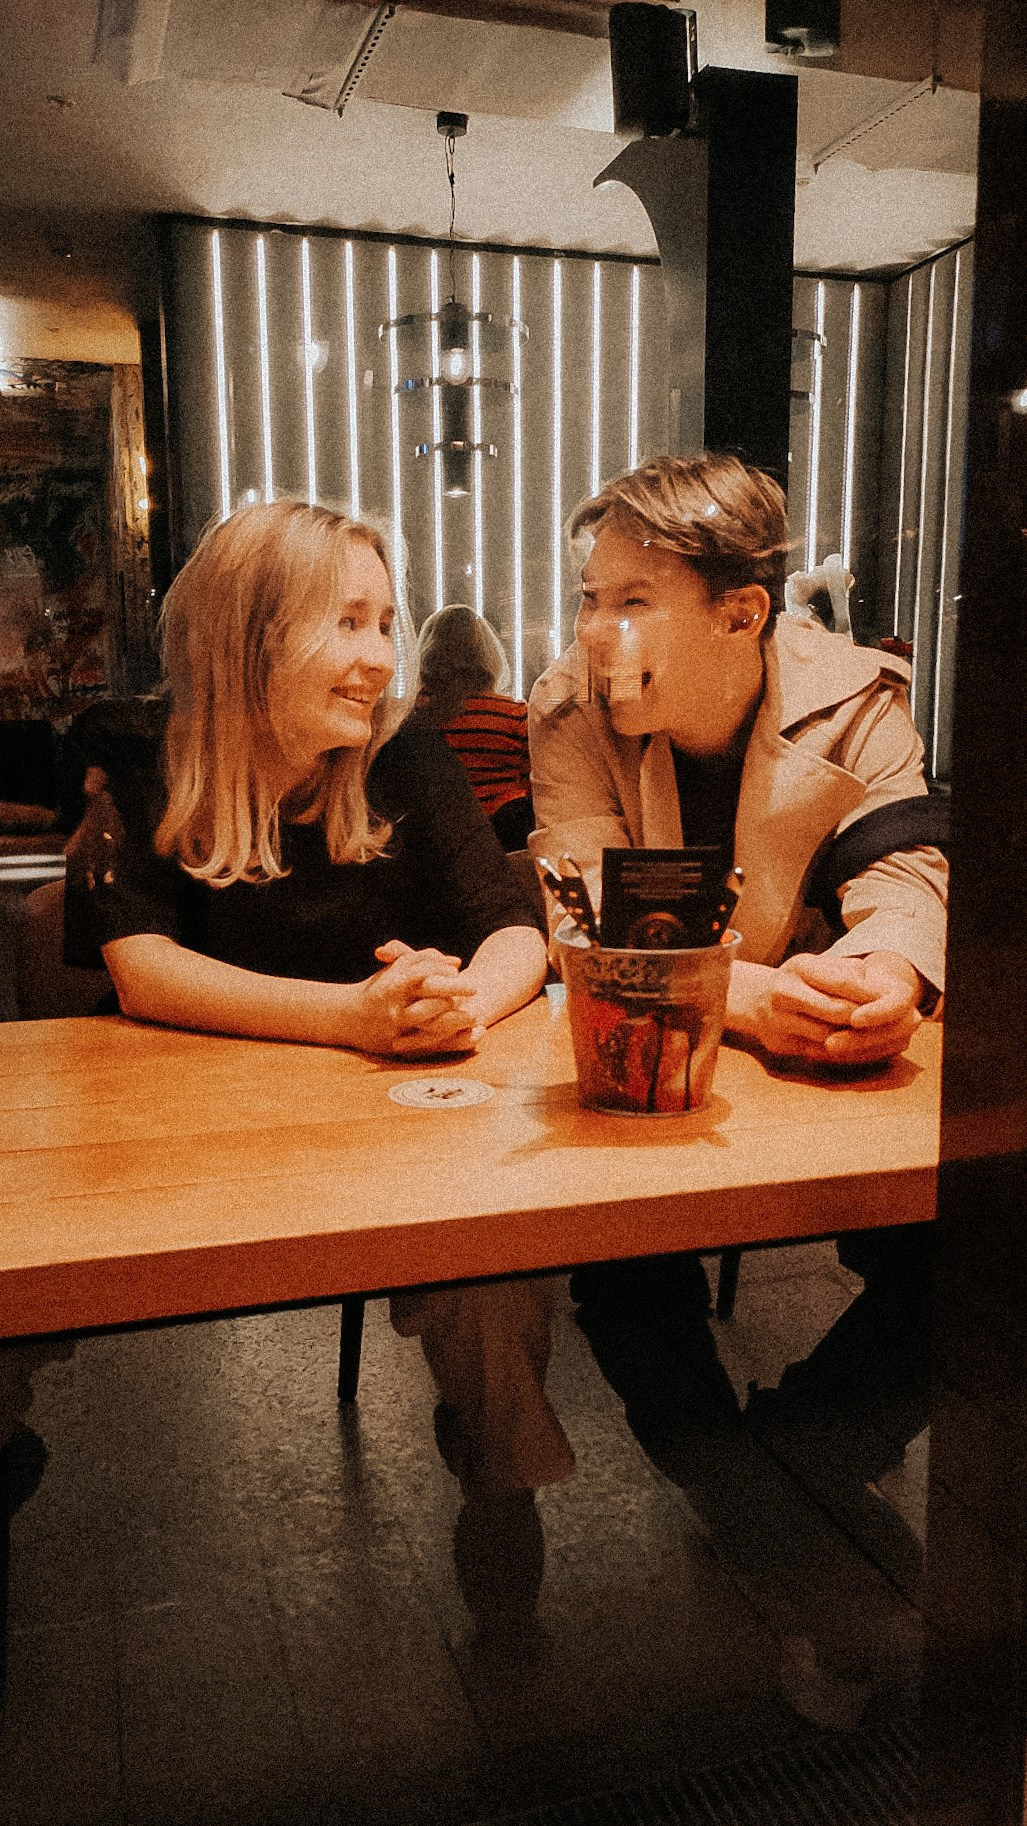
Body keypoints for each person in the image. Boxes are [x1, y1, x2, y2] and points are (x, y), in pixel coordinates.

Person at [86, 500, 570, 1634]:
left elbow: (514, 929)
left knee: (492, 1265)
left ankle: (499, 1477)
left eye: (386, 623)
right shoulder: (136, 754)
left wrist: (460, 1001)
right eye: (346, 621)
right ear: (248, 635)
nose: (380, 657)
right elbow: (141, 969)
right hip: (190, 1144)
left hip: (393, 1121)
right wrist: (351, 1017)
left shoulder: (404, 754)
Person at [527, 454, 946, 1589]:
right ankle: (762, 1510)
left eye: (630, 601)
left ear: (741, 613)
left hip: (814, 1078)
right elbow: (583, 920)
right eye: (589, 598)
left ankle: (793, 1466)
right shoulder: (569, 710)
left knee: (975, 1246)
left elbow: (904, 867)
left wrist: (886, 972)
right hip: (654, 1061)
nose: (593, 631)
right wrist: (754, 998)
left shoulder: (859, 699)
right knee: (620, 1262)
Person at [413, 603, 533, 851]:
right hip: (506, 835)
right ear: (487, 656)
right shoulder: (516, 713)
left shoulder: (417, 715)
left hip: (439, 838)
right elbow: (532, 784)